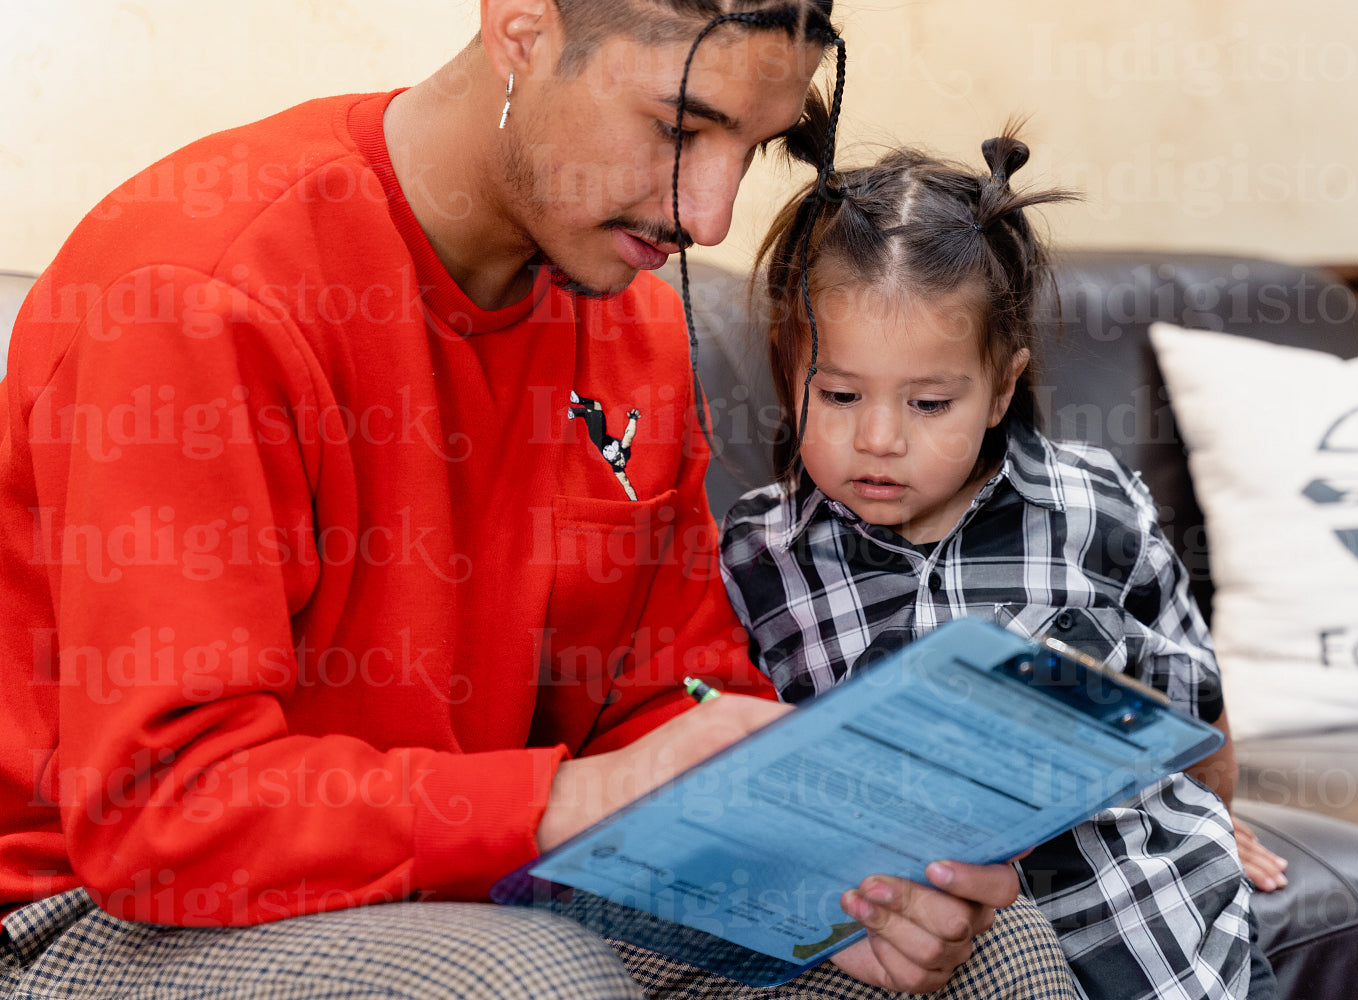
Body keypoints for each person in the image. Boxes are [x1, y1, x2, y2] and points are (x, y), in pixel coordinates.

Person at [0, 1, 1081, 998]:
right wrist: (569, 800)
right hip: (95, 909)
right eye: (677, 130)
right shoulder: (202, 293)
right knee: (524, 982)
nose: (707, 216)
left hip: (485, 870)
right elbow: (165, 811)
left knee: (992, 946)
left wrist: (829, 847)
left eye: (752, 150)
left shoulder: (633, 323)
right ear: (521, 25)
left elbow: (664, 697)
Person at [717, 129, 1281, 999]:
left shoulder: (1094, 508)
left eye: (930, 402)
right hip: (939, 944)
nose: (878, 438)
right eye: (838, 394)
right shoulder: (759, 556)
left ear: (1002, 387)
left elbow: (1194, 702)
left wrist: (1220, 815)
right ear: (790, 369)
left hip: (1149, 920)